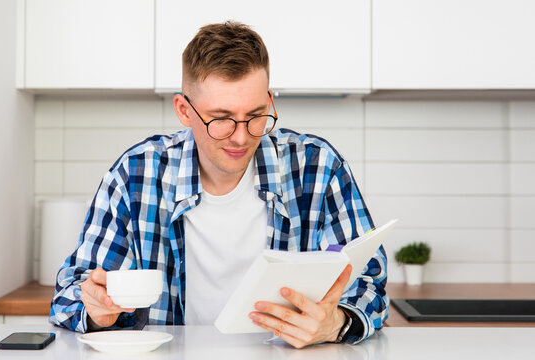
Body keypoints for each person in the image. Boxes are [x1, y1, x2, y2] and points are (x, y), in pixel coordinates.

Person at [50, 21, 388, 348]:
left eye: (256, 115)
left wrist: (336, 322)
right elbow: (70, 294)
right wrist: (96, 312)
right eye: (221, 119)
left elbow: (369, 280)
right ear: (184, 110)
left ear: (269, 101)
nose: (241, 137)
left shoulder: (318, 166)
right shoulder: (135, 174)